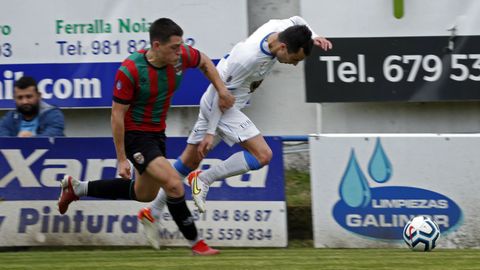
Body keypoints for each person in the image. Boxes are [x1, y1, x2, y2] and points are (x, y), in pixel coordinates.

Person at [139, 16, 332, 247]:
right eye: (295, 58)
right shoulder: (248, 59)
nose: (294, 64)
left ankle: (153, 212)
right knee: (263, 155)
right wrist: (210, 132)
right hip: (221, 106)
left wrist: (314, 34)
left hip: (224, 103)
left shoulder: (280, 31)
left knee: (189, 160)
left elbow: (296, 19)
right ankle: (204, 179)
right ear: (282, 47)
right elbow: (222, 98)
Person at [57, 18, 234, 255]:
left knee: (145, 194)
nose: (179, 52)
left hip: (157, 134)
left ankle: (77, 189)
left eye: (181, 46)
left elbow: (203, 61)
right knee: (173, 184)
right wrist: (121, 158)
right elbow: (117, 116)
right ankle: (196, 244)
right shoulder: (130, 71)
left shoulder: (180, 56)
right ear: (157, 45)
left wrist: (222, 90)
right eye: (173, 47)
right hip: (136, 137)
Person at [0, 76, 65, 137]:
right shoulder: (10, 117)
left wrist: (31, 139)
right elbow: (2, 139)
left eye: (29, 97)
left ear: (39, 96)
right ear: (14, 99)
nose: (25, 101)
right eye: (20, 98)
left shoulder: (54, 115)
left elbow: (51, 138)